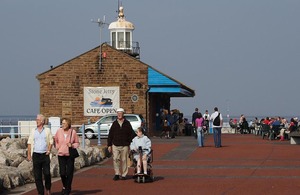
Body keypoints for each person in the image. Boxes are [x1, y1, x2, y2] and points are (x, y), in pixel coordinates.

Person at [27, 114, 53, 195]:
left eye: (38, 120)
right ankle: (40, 192)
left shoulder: (47, 130)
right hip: (36, 155)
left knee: (47, 173)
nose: (36, 121)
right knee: (37, 176)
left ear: (42, 121)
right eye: (36, 119)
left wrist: (49, 150)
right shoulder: (33, 131)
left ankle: (48, 188)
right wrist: (29, 154)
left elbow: (51, 141)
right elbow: (29, 143)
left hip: (45, 155)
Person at [107, 108, 136, 180]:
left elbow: (131, 133)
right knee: (115, 159)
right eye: (118, 113)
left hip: (125, 145)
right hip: (115, 144)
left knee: (124, 160)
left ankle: (124, 174)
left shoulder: (127, 123)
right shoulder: (114, 123)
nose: (119, 114)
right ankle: (117, 173)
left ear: (123, 114)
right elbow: (110, 135)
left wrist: (139, 137)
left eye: (121, 113)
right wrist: (109, 145)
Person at [54, 118, 79, 195]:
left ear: (68, 124)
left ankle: (67, 189)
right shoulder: (59, 131)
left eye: (64, 123)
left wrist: (72, 145)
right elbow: (55, 140)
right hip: (61, 155)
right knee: (62, 173)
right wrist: (58, 147)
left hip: (70, 155)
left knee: (69, 173)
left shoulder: (73, 132)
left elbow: (77, 143)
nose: (63, 125)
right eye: (62, 123)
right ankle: (65, 186)